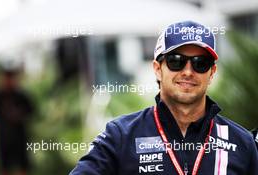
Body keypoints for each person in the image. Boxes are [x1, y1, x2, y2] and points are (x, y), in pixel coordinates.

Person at [69, 21, 258, 175]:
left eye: (200, 63)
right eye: (176, 61)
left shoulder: (242, 142)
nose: (188, 72)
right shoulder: (120, 136)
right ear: (158, 69)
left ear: (212, 72)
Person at [0, 69, 34, 175]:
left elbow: (31, 111)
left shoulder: (21, 96)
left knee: (22, 166)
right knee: (5, 167)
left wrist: (19, 115)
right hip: (3, 139)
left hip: (20, 138)